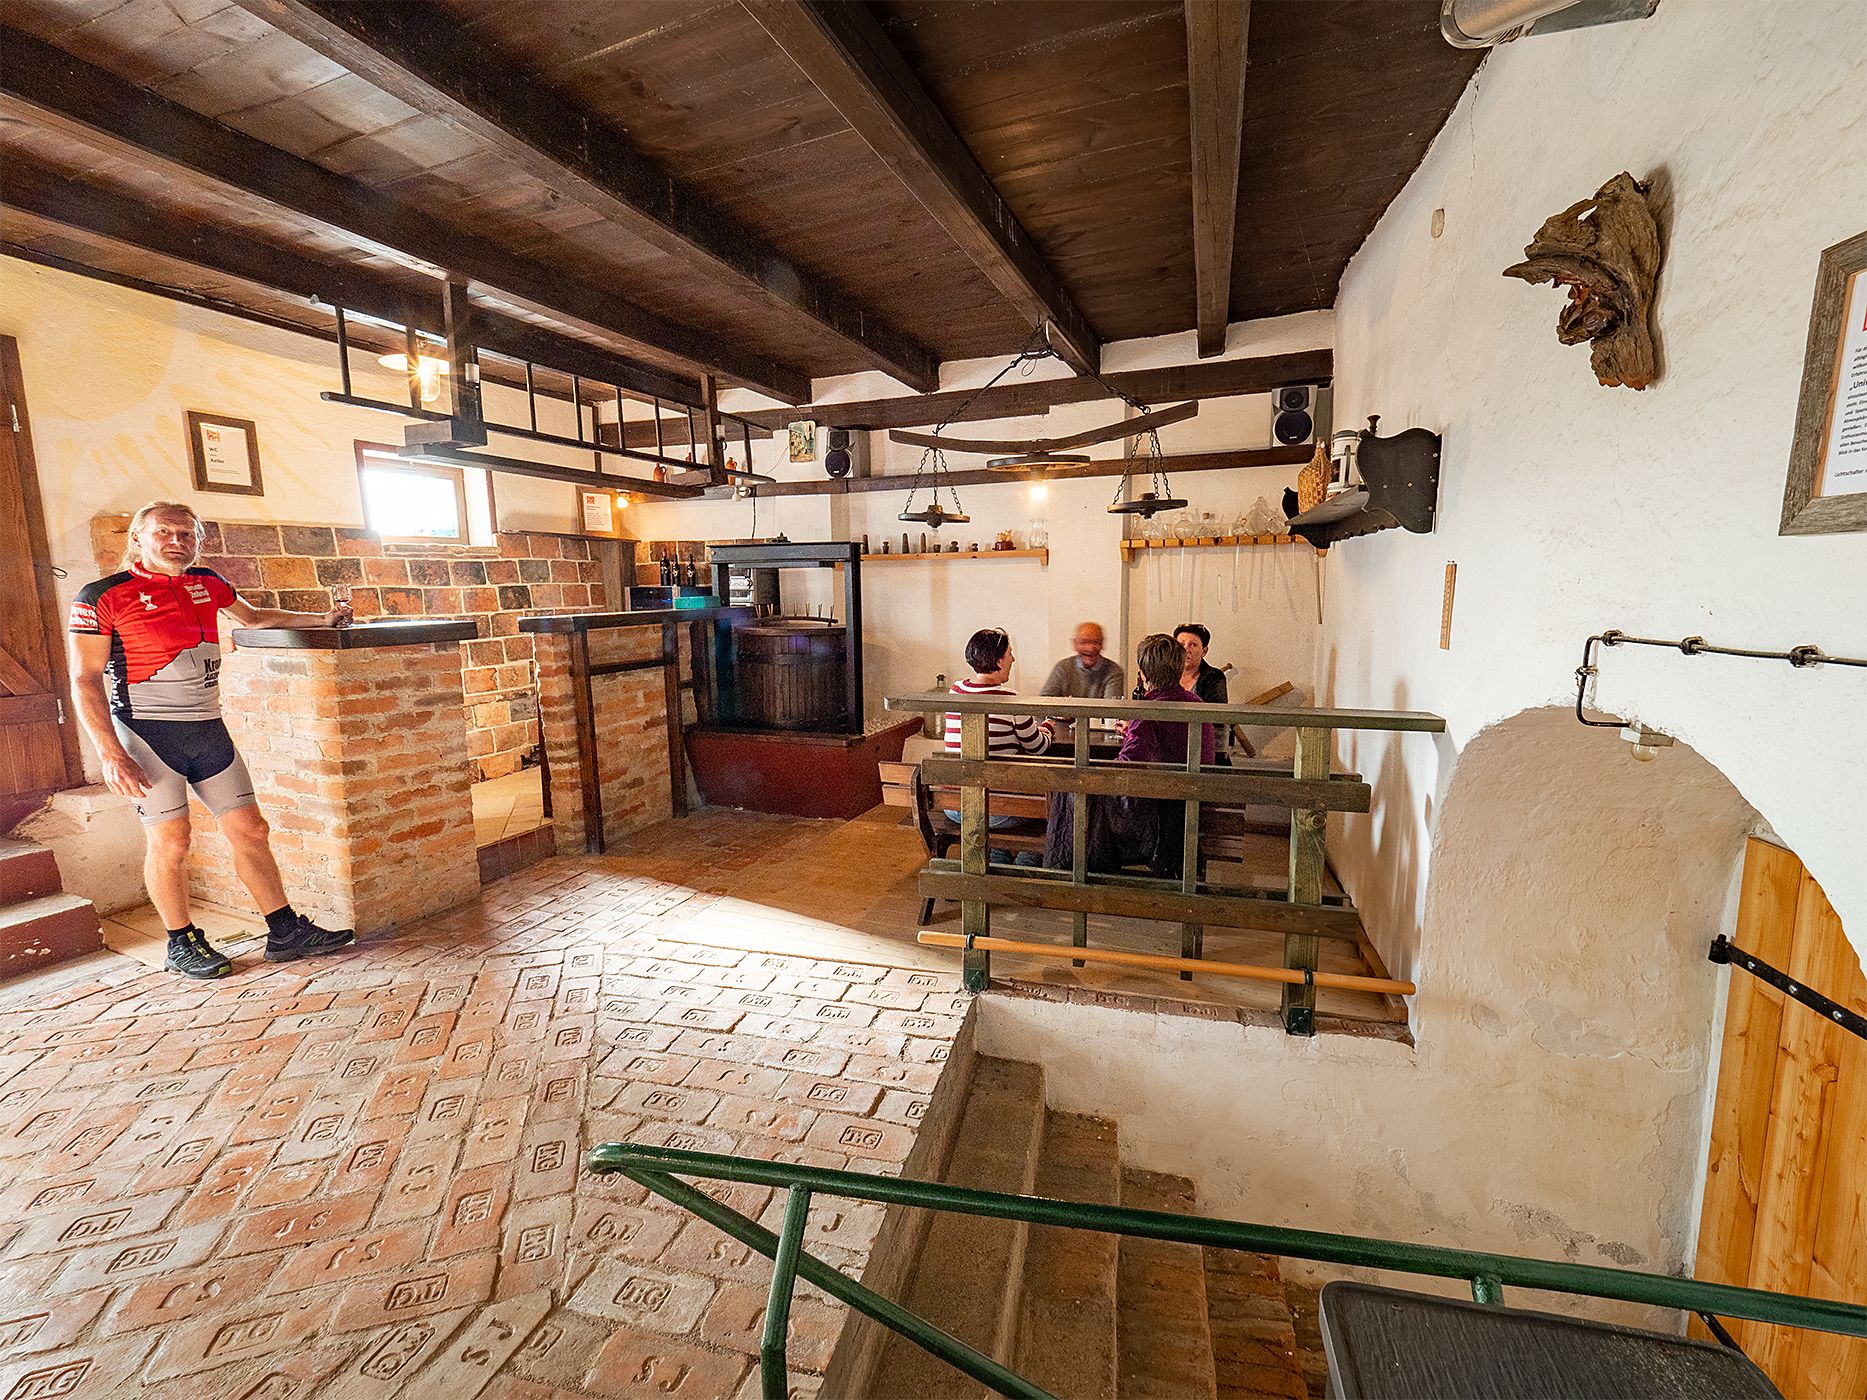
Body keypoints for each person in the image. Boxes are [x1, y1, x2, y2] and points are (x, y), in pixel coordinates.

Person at [68, 501, 358, 978]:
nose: (177, 541)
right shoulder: (102, 594)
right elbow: (84, 678)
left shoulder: (208, 583)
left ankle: (285, 931)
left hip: (208, 728)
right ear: (138, 538)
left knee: (251, 830)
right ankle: (180, 942)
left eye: (187, 534)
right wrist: (110, 752)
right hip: (147, 734)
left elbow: (254, 619)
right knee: (172, 841)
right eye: (165, 532)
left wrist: (321, 620)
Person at [1048, 633, 1215, 875]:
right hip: (1190, 798)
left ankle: (1071, 866)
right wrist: (1134, 734)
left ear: (1143, 673)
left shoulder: (1147, 709)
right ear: (1179, 669)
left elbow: (1128, 765)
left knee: (1075, 785)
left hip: (1159, 810)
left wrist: (1096, 772)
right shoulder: (1196, 702)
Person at [943, 627, 1051, 859]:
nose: (1013, 659)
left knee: (996, 794)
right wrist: (1049, 727)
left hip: (953, 805)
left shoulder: (956, 690)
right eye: (1010, 654)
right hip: (995, 808)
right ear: (1000, 660)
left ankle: (997, 865)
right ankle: (1025, 865)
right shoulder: (1011, 700)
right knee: (1056, 808)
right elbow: (1038, 747)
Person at [1039, 621, 1124, 741]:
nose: (1090, 648)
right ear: (1074, 644)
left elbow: (1111, 710)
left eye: (1096, 642)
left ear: (1102, 644)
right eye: (1084, 642)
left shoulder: (1114, 671)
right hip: (1062, 738)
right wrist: (1061, 712)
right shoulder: (1063, 667)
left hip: (1099, 739)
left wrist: (1070, 708)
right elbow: (1043, 701)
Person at [1174, 622, 1228, 705]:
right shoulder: (1163, 674)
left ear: (1204, 651)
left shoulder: (1214, 677)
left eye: (1193, 645)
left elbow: (1217, 714)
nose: (1186, 649)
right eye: (1181, 644)